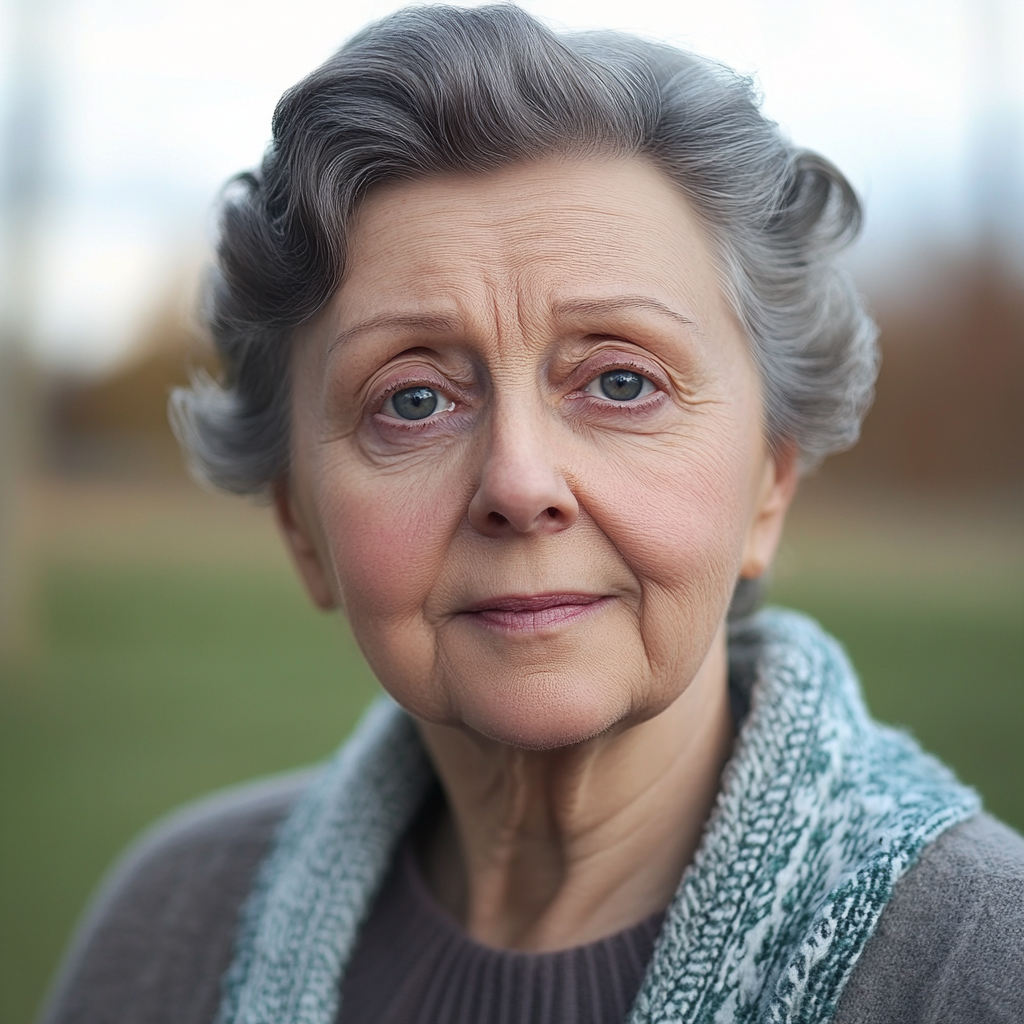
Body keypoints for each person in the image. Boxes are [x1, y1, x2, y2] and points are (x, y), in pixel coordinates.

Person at [40, 6, 1024, 1023]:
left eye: (621, 383)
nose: (518, 482)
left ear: (767, 486)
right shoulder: (167, 941)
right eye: (411, 400)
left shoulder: (981, 964)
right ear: (301, 528)